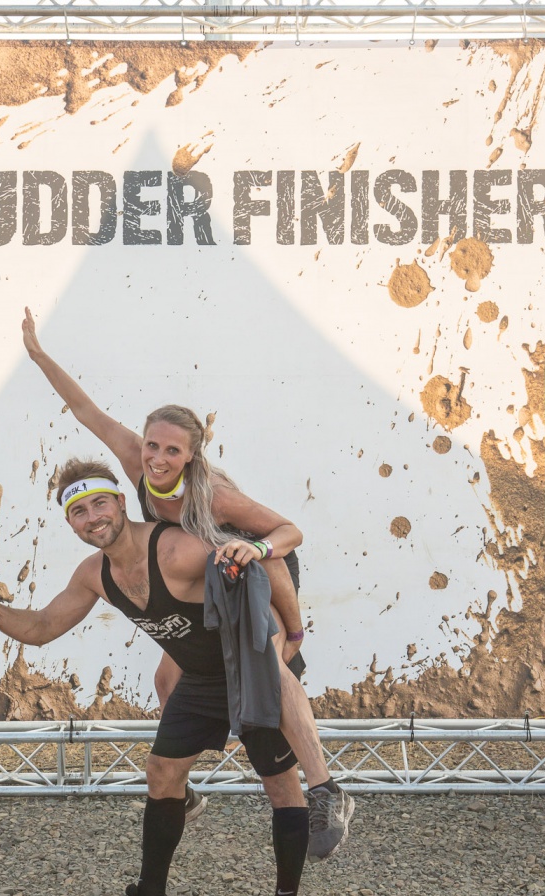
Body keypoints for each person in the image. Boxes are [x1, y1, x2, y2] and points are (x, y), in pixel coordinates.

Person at [22, 308, 353, 859]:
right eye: (152, 445)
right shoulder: (138, 465)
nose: (157, 458)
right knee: (166, 679)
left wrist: (290, 625)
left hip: (256, 570)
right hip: (209, 578)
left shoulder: (213, 495)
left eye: (171, 451)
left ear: (191, 455)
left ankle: (326, 791)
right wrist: (38, 355)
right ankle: (181, 790)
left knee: (271, 667)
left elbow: (287, 533)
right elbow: (86, 411)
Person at [0, 460, 308, 896]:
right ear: (70, 523)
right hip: (200, 678)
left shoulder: (177, 549)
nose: (93, 517)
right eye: (79, 511)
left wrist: (290, 633)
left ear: (120, 502)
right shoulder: (94, 574)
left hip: (251, 668)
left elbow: (266, 558)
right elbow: (44, 626)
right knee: (162, 772)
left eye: (100, 504)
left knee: (282, 787)